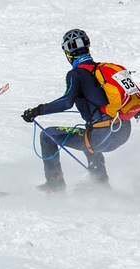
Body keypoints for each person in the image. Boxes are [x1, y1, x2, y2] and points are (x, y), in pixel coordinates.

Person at [21, 29, 132, 194]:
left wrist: (37, 110)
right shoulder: (103, 70)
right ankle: (101, 185)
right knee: (88, 139)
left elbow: (66, 102)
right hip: (123, 130)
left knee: (49, 136)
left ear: (68, 53)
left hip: (103, 136)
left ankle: (55, 186)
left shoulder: (76, 74)